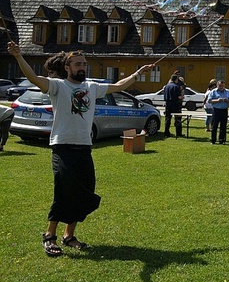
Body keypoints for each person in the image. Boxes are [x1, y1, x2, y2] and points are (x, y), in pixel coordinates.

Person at [7, 41, 152, 257]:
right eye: (77, 64)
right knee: (64, 190)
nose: (82, 67)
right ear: (67, 67)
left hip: (84, 146)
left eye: (84, 64)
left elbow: (119, 86)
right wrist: (19, 57)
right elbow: (34, 79)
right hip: (62, 145)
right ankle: (49, 235)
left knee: (84, 191)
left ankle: (69, 235)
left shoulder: (91, 87)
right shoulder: (58, 86)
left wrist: (138, 73)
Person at [207, 80, 229, 144]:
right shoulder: (213, 91)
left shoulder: (227, 91)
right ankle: (213, 140)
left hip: (224, 110)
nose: (221, 87)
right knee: (214, 126)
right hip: (216, 110)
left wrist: (227, 100)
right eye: (220, 86)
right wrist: (217, 100)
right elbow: (209, 101)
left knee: (223, 126)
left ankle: (222, 140)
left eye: (222, 86)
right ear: (217, 85)